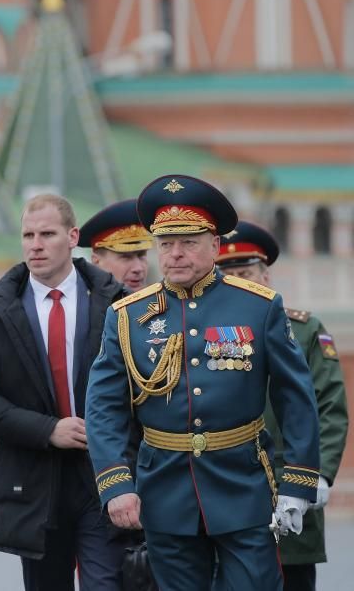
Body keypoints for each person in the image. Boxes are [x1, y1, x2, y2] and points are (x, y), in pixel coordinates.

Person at [86, 174, 321, 590]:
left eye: (189, 242)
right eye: (166, 244)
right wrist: (115, 482)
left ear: (215, 245)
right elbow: (104, 406)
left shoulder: (258, 306)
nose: (175, 254)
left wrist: (298, 482)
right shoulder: (126, 316)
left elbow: (295, 397)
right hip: (164, 488)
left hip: (243, 484)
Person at [0, 193, 127, 590]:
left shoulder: (115, 303)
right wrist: (48, 430)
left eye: (47, 234)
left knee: (105, 583)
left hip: (103, 472)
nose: (35, 245)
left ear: (73, 237)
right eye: (27, 235)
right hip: (34, 479)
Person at [217, 221, 348, 591]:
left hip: (291, 480)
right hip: (227, 485)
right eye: (230, 276)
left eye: (247, 273)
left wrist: (318, 473)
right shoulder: (208, 334)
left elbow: (330, 406)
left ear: (266, 275)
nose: (241, 282)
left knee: (291, 578)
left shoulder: (304, 330)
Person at [78, 199, 152, 291]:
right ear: (96, 262)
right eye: (126, 257)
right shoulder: (79, 304)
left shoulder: (165, 304)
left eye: (141, 256)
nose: (138, 268)